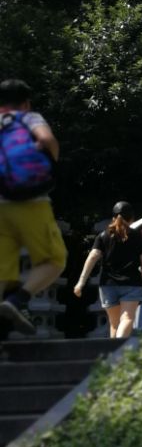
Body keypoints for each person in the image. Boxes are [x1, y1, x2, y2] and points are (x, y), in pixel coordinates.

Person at [0, 78, 68, 336]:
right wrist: (48, 160)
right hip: (30, 202)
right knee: (53, 259)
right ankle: (17, 301)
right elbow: (48, 140)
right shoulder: (28, 118)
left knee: (2, 274)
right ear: (26, 102)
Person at [73, 202, 142, 338]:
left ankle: (114, 354)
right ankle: (119, 350)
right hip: (131, 284)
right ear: (132, 219)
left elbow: (93, 257)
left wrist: (81, 282)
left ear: (113, 218)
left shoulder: (104, 236)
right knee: (126, 319)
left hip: (108, 285)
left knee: (114, 324)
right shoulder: (138, 236)